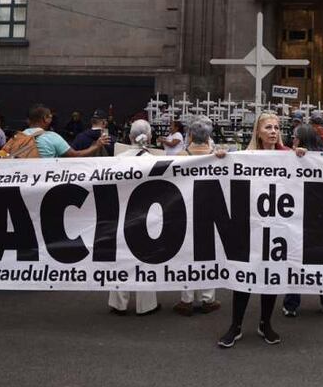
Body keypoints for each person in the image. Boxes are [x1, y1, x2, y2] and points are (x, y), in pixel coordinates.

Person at [218, 111, 294, 348]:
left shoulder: (289, 156)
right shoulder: (246, 156)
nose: (273, 131)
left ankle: (265, 323)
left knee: (271, 275)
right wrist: (219, 156)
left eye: (277, 127)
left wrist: (303, 156)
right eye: (269, 127)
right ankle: (236, 326)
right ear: (258, 132)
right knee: (245, 274)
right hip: (249, 225)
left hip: (277, 226)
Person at [282, 124, 323, 318]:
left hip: (301, 215)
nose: (293, 141)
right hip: (317, 217)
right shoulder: (322, 159)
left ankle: (291, 304)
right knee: (318, 261)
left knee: (295, 259)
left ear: (302, 140)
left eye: (295, 138)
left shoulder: (310, 159)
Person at [107, 119, 162, 316]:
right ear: (150, 137)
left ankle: (118, 303)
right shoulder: (156, 160)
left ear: (129, 137)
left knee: (120, 256)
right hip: (148, 215)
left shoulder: (119, 158)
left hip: (121, 212)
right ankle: (146, 305)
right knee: (146, 258)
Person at [172, 118, 224, 316]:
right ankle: (208, 299)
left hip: (185, 212)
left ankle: (186, 300)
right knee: (209, 255)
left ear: (190, 136)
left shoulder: (180, 156)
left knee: (186, 255)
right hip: (210, 211)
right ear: (209, 137)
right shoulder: (217, 156)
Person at [21, 105, 103, 158]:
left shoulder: (17, 137)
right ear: (45, 119)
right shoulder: (52, 137)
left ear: (28, 121)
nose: (51, 119)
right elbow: (74, 155)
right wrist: (96, 146)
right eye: (50, 116)